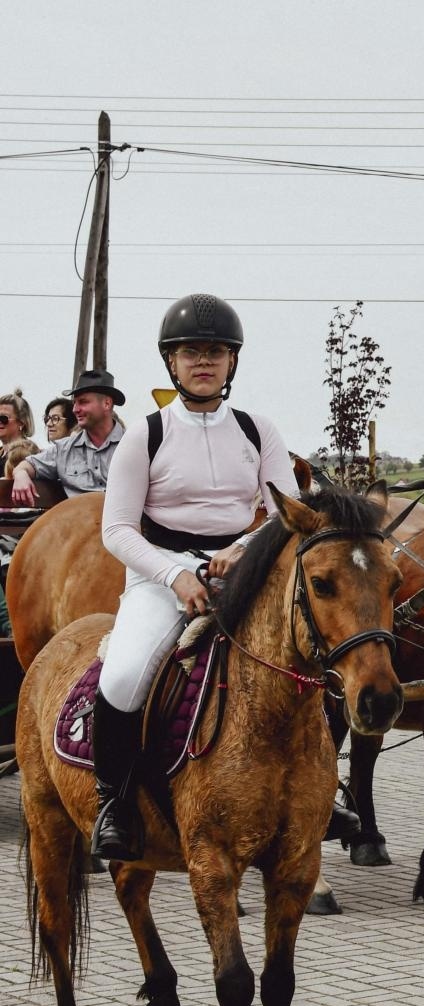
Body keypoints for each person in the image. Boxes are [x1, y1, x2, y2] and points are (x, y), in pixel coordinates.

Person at [88, 293, 299, 861]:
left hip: (246, 572)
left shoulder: (258, 429)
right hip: (160, 574)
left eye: (215, 352)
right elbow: (117, 531)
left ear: (232, 362)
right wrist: (176, 576)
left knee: (315, 657)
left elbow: (289, 513)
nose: (202, 362)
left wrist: (244, 548)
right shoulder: (147, 435)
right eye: (189, 353)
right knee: (125, 675)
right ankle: (115, 801)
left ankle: (329, 789)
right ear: (171, 363)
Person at [10, 369, 126, 504]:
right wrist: (20, 474)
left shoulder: (135, 445)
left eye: (83, 402)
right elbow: (28, 465)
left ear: (107, 403)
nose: (75, 409)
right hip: (78, 522)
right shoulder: (64, 449)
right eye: (75, 402)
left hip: (123, 523)